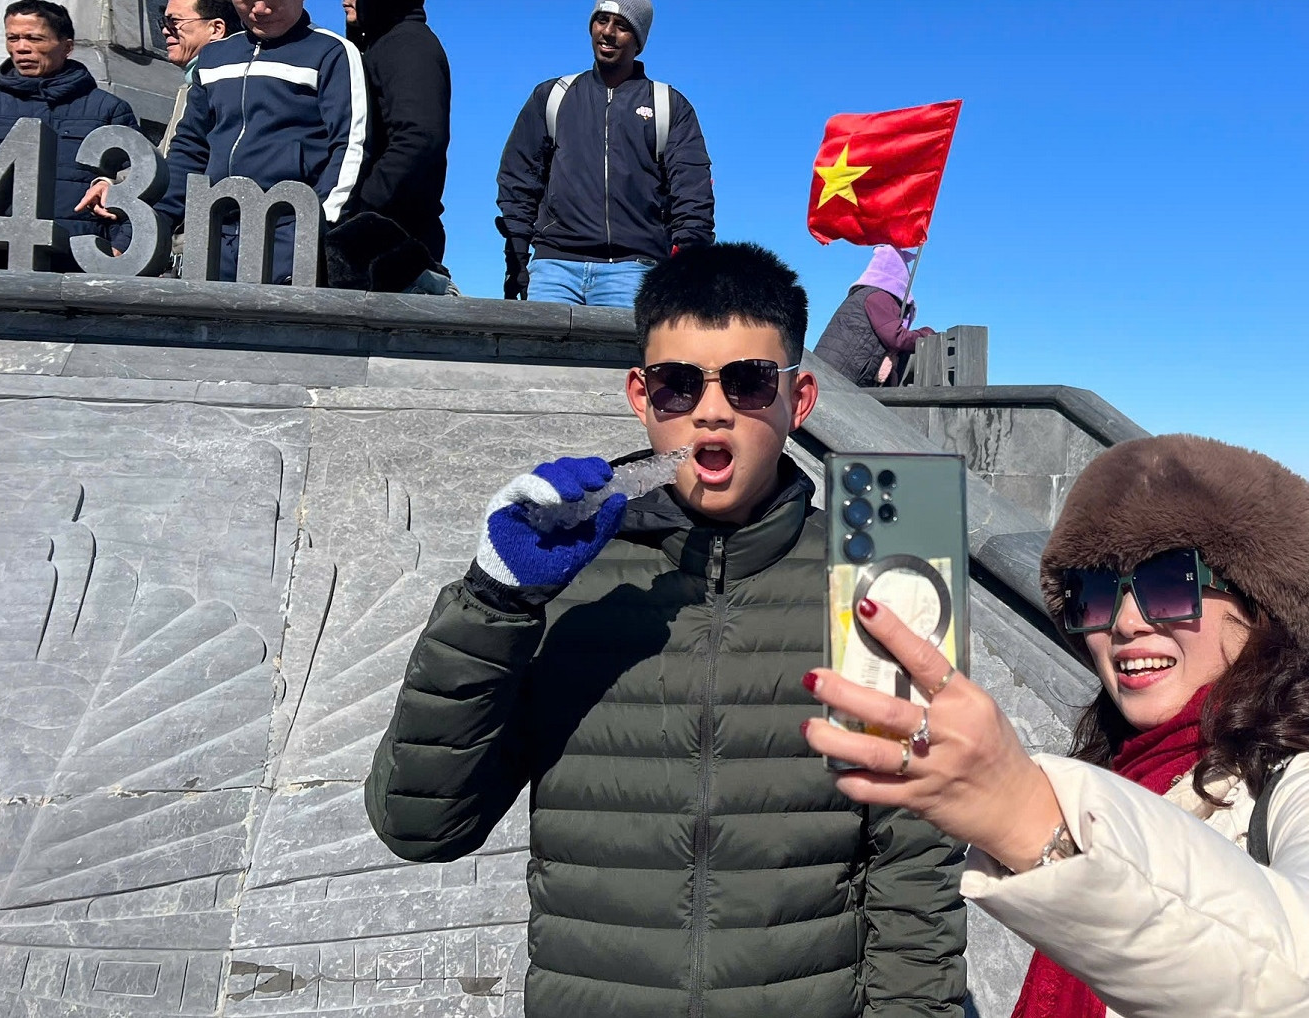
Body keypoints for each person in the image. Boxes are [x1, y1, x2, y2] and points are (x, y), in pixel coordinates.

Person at [365, 243, 966, 1018]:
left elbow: (913, 872)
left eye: (748, 382)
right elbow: (420, 825)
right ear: (641, 397)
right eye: (680, 385)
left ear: (801, 398)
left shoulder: (881, 576)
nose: (711, 410)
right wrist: (495, 600)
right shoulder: (563, 581)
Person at [805, 435, 1309, 1018]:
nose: (1125, 622)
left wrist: (1036, 827)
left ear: (1264, 606)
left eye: (1171, 583)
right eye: (1097, 592)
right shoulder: (1137, 773)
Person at [495, 0, 714, 306]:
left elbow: (692, 192)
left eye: (622, 26)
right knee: (542, 356)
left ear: (638, 40)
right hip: (553, 270)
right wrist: (516, 251)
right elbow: (519, 178)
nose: (608, 32)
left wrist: (690, 265)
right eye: (601, 20)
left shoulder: (669, 105)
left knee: (627, 357)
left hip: (635, 272)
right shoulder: (553, 97)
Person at [157, 0, 367, 284]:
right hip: (210, 237)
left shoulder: (332, 53)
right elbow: (189, 148)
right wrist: (156, 223)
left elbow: (352, 145)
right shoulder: (214, 57)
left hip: (291, 237)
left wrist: (317, 228)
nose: (259, 10)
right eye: (246, 1)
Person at [0, 1, 139, 272]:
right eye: (13, 38)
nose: (21, 47)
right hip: (2, 263)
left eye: (34, 38)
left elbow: (136, 184)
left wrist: (123, 248)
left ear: (67, 46)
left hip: (85, 260)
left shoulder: (109, 110)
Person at [77, 0, 241, 269]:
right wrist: (115, 185)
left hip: (210, 248)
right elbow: (165, 161)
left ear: (216, 28)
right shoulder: (188, 87)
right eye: (162, 22)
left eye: (174, 23)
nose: (165, 31)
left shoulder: (226, 92)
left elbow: (189, 166)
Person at [326, 0, 453, 294]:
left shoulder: (407, 44)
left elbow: (419, 138)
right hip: (376, 238)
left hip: (395, 243)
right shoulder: (378, 45)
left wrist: (358, 208)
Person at [811, 246, 936, 387]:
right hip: (839, 375)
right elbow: (895, 337)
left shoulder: (865, 294)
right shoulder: (879, 297)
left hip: (831, 370)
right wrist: (926, 335)